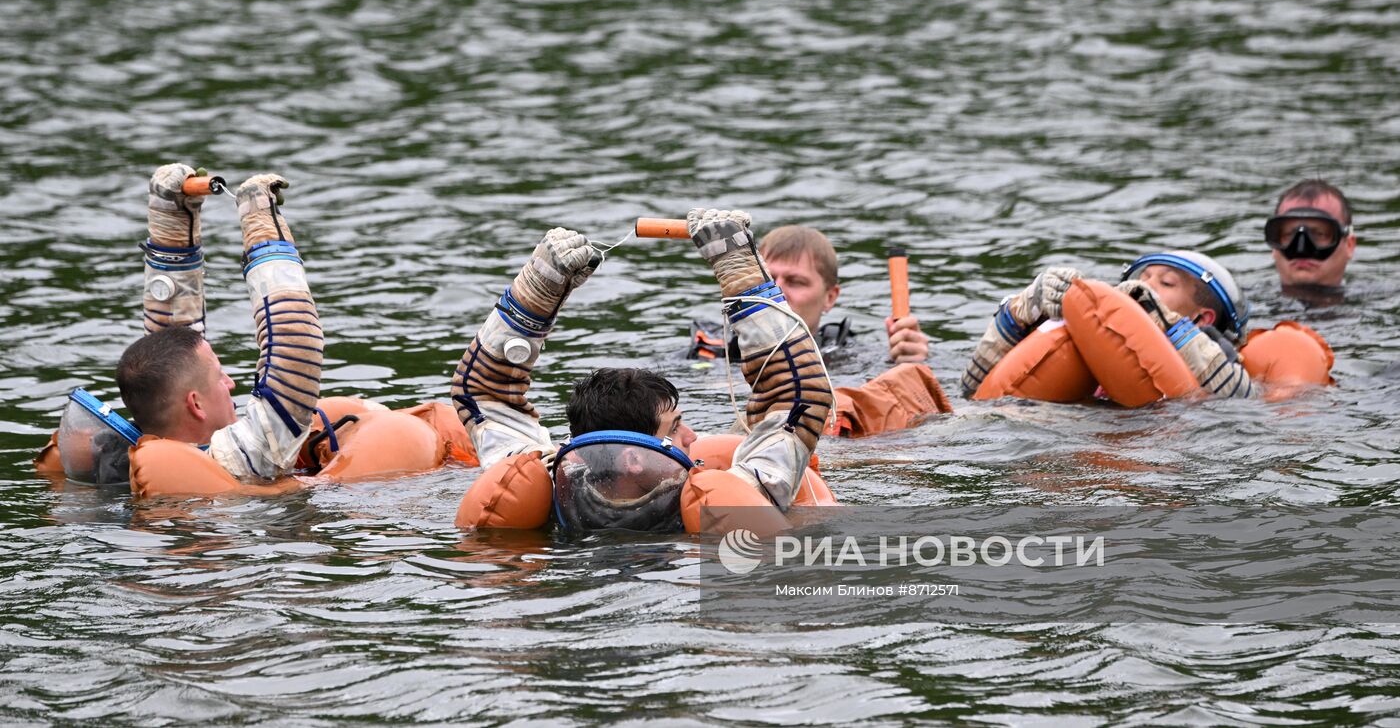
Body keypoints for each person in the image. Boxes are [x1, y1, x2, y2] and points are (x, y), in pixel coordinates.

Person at [451, 209, 832, 531]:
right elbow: (800, 396)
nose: (692, 435)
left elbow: (481, 394)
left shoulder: (548, 494)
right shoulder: (721, 503)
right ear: (634, 459)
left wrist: (535, 292)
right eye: (675, 426)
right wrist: (741, 272)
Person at [57, 164, 324, 486]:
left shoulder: (127, 465)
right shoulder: (244, 458)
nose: (231, 384)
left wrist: (170, 221)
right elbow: (295, 346)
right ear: (195, 403)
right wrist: (263, 228)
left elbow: (170, 355)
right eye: (219, 375)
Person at [961, 250, 1259, 401]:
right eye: (1145, 276)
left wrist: (1162, 318)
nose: (1145, 284)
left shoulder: (1215, 346)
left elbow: (1238, 401)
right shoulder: (1094, 330)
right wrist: (1021, 308)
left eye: (1166, 282)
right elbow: (971, 391)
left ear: (1203, 317)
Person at [688, 225, 929, 365]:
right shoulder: (709, 354)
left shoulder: (854, 360)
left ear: (830, 298)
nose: (775, 292)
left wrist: (908, 365)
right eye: (768, 280)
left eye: (796, 282)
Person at [1266, 179, 1355, 293]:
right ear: (1274, 246)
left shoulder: (1378, 301)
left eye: (1319, 234)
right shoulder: (1241, 302)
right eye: (1289, 234)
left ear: (1349, 245)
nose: (1301, 248)